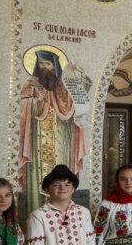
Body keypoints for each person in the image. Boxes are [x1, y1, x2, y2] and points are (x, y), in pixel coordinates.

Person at [17, 50, 86, 197]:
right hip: (36, 135)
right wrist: (34, 101)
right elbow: (21, 105)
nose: (44, 67)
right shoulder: (30, 84)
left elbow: (70, 107)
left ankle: (62, 198)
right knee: (36, 169)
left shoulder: (63, 85)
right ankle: (36, 200)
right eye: (41, 63)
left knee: (60, 165)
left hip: (60, 134)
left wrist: (78, 76)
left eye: (47, 64)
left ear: (54, 66)